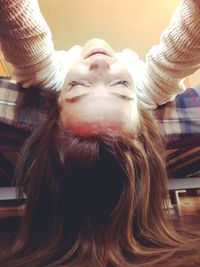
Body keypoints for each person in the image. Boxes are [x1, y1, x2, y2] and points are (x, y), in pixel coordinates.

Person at [0, 0, 200, 266]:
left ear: (55, 106)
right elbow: (183, 47)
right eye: (120, 84)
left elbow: (22, 30)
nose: (100, 67)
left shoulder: (49, 78)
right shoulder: (146, 90)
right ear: (143, 114)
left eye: (77, 86)